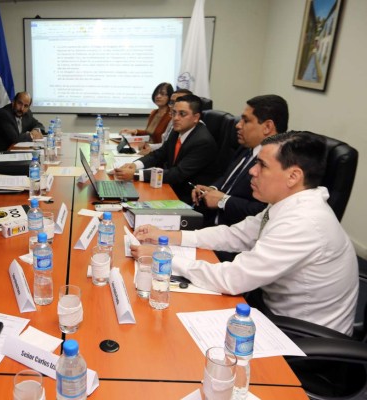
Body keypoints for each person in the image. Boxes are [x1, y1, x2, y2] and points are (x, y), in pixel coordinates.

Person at [131, 131, 358, 335]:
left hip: (304, 337)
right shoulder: (287, 204)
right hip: (271, 310)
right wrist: (171, 236)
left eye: (262, 165)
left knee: (173, 329)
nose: (252, 171)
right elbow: (236, 235)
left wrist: (163, 258)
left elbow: (232, 279)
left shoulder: (303, 222)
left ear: (293, 176)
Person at [192, 94, 289, 227]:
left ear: (267, 127)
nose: (238, 125)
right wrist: (212, 189)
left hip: (236, 233)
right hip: (209, 223)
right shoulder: (246, 147)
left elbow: (264, 212)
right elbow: (227, 177)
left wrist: (224, 201)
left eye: (246, 121)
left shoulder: (278, 163)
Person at [114, 94, 219, 204]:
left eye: (182, 114)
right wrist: (135, 165)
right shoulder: (177, 130)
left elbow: (178, 174)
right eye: (174, 113)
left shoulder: (202, 141)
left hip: (188, 197)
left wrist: (136, 175)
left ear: (196, 118)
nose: (176, 118)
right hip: (170, 186)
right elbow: (160, 154)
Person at [0, 91, 45, 155]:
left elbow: (39, 125)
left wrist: (35, 130)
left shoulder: (27, 114)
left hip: (11, 150)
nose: (22, 108)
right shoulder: (3, 115)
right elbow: (15, 138)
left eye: (26, 106)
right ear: (13, 102)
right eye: (19, 103)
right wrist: (32, 135)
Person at [137, 88, 192, 156]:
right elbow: (166, 145)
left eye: (179, 102)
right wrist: (149, 147)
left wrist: (151, 150)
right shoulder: (171, 120)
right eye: (172, 102)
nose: (174, 106)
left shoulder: (190, 127)